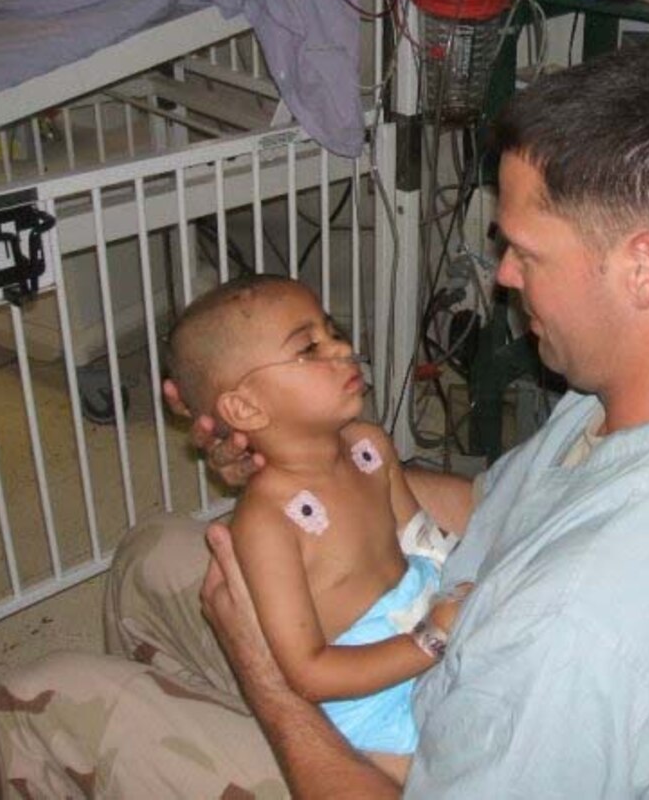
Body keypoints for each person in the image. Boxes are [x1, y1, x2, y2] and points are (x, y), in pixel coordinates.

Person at [0, 38, 649, 798]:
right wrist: (309, 463)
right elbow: (496, 509)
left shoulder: (585, 632)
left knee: (40, 700)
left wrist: (271, 683)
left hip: (422, 747)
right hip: (445, 669)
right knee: (151, 556)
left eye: (525, 252)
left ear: (645, 268)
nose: (501, 276)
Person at [163, 274, 466, 783]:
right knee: (444, 779)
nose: (342, 347)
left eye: (332, 330)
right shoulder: (265, 523)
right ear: (244, 408)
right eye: (309, 347)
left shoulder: (370, 446)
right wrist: (426, 642)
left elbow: (421, 538)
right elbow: (306, 672)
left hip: (424, 609)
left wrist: (457, 586)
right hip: (363, 698)